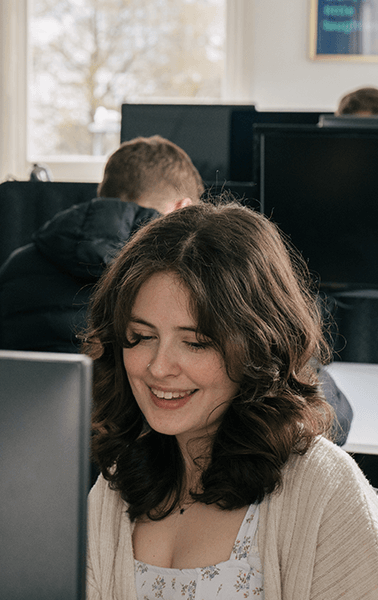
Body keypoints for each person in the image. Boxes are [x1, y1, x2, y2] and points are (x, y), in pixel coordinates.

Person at [83, 201, 378, 599]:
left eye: (196, 343)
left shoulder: (325, 492)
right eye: (142, 336)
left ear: (257, 350)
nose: (158, 367)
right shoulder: (114, 489)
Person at [0, 135, 201, 354]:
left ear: (103, 193)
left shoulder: (17, 265)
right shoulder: (185, 280)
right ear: (182, 208)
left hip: (27, 392)